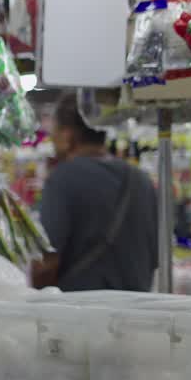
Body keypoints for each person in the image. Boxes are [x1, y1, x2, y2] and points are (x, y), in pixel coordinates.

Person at [32, 92, 158, 292]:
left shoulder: (63, 178)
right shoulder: (141, 180)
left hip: (81, 314)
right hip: (137, 313)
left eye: (54, 132)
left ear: (67, 136)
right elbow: (156, 256)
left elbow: (46, 262)